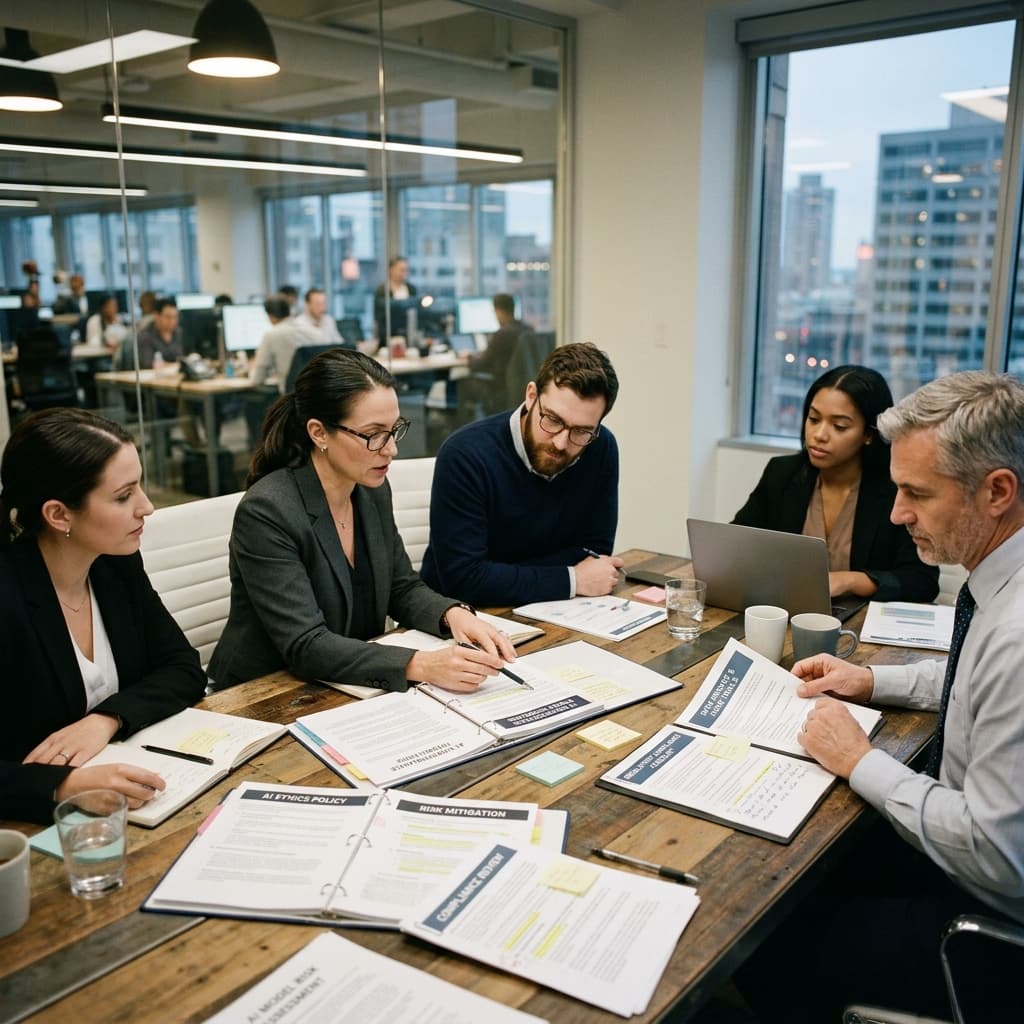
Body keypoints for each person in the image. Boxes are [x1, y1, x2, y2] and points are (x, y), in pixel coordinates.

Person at [738, 371, 1024, 1022]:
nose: (897, 514)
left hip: (982, 916)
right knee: (798, 872)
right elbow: (973, 683)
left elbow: (997, 855)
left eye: (917, 494)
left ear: (997, 491)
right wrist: (874, 680)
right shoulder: (1002, 586)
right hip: (960, 857)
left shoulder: (1017, 634)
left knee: (762, 934)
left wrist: (858, 759)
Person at [207, 349, 516, 692]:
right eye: (373, 434)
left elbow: (402, 587)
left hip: (345, 683)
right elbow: (306, 644)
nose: (390, 449)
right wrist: (422, 664)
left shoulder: (370, 490)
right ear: (319, 433)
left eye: (394, 429)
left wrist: (455, 616)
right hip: (263, 694)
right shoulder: (268, 512)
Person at [0, 408, 206, 824]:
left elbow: (183, 669)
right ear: (59, 515)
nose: (146, 507)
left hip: (128, 802)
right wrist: (62, 786)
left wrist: (107, 718)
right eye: (123, 495)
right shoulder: (8, 598)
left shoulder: (114, 564)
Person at [419, 342, 622, 607]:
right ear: (530, 396)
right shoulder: (465, 454)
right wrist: (572, 579)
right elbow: (464, 579)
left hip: (556, 609)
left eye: (581, 431)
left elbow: (595, 550)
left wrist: (501, 574)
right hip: (459, 616)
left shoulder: (600, 447)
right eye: (552, 419)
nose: (561, 443)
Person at [733, 364, 938, 602]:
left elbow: (922, 580)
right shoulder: (782, 473)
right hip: (785, 611)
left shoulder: (895, 490)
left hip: (858, 626)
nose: (819, 435)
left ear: (869, 434)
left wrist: (850, 581)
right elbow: (738, 542)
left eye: (839, 426)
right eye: (813, 419)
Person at [249, 294, 318, 394]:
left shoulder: (272, 335)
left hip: (289, 399)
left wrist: (251, 368)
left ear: (270, 315)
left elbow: (257, 378)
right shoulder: (308, 329)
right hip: (312, 395)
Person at [466, 293, 528, 378]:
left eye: (494, 311)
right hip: (520, 382)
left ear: (499, 312)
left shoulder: (502, 334)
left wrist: (469, 359)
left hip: (500, 383)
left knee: (458, 381)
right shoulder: (528, 330)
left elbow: (483, 363)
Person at [373, 256, 417, 340]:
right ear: (391, 269)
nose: (404, 273)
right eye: (401, 270)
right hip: (386, 336)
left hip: (408, 334)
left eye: (406, 270)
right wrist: (410, 302)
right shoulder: (382, 290)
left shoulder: (411, 289)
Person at [136, 298, 185, 368]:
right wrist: (178, 366)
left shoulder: (179, 333)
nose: (172, 321)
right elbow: (148, 364)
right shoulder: (145, 336)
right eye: (168, 317)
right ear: (156, 316)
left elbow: (185, 358)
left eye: (175, 317)